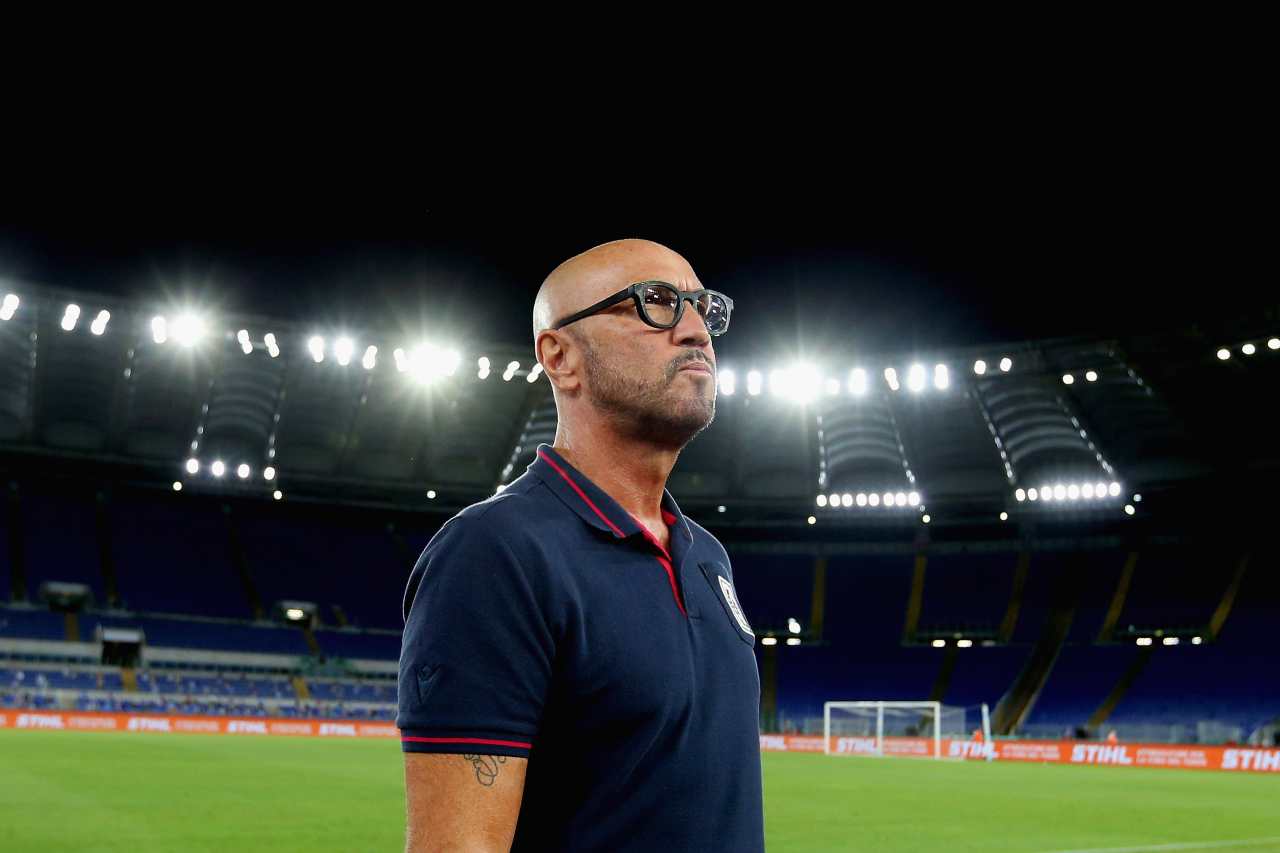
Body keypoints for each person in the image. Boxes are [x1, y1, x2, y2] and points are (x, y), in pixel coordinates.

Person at [398, 239, 763, 852]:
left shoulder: (707, 557)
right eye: (656, 302)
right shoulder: (494, 551)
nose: (697, 330)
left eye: (704, 308)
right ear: (560, 357)